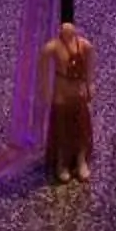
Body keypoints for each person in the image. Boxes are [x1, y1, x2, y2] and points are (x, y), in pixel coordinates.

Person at [38, 21, 96, 184]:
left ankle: (80, 160)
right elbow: (42, 63)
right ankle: (62, 163)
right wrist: (44, 90)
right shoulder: (54, 47)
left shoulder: (83, 45)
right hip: (61, 95)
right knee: (62, 129)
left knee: (81, 129)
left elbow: (91, 64)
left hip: (78, 93)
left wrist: (90, 84)